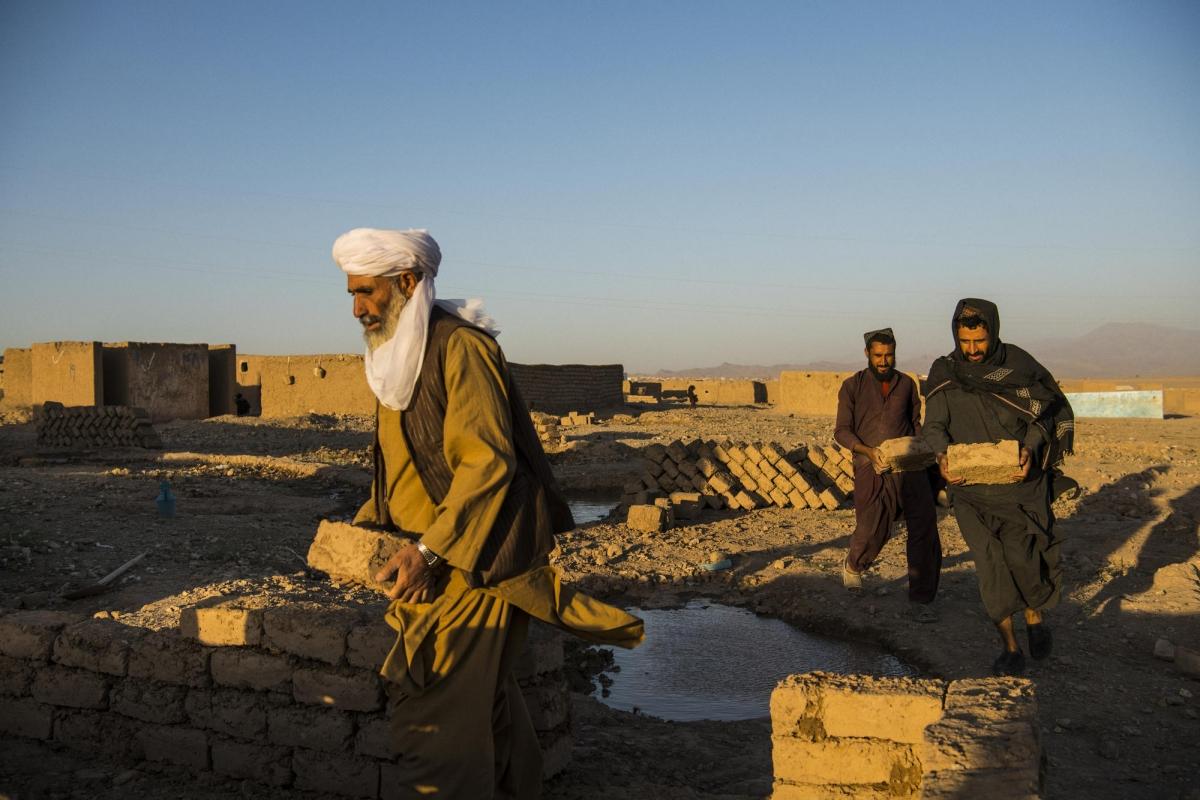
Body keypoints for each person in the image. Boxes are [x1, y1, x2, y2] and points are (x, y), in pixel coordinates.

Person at [334, 227, 643, 799]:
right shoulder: (395, 356)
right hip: (429, 557)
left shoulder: (459, 348)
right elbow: (402, 466)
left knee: (438, 734)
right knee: (485, 708)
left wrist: (428, 551)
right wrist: (363, 529)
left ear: (406, 282)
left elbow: (487, 465)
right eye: (351, 295)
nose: (357, 309)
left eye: (366, 293)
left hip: (466, 559)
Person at [922, 299, 1074, 677]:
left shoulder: (1018, 367)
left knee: (1024, 561)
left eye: (979, 341)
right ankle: (1010, 648)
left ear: (993, 331)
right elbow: (934, 425)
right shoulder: (945, 372)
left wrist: (1030, 447)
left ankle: (1035, 616)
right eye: (964, 341)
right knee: (990, 568)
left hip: (1018, 490)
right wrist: (942, 456)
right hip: (971, 493)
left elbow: (1047, 413)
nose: (972, 351)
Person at [834, 328, 941, 613]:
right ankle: (854, 564)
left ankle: (922, 596)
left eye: (889, 355)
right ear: (867, 354)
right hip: (870, 465)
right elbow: (841, 430)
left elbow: (916, 423)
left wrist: (925, 456)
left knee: (923, 524)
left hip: (907, 464)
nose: (884, 361)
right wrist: (866, 451)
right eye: (878, 355)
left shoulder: (906, 384)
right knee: (873, 526)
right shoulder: (851, 386)